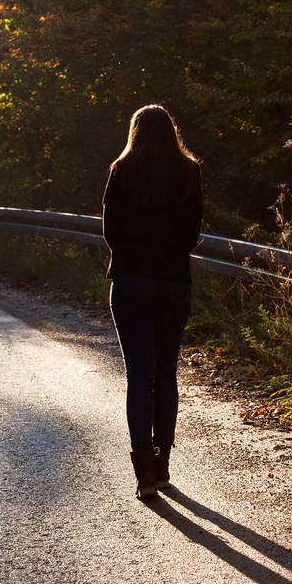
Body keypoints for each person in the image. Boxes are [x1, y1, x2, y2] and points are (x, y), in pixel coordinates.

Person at [103, 104, 202, 500]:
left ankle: (143, 473)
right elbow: (192, 234)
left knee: (139, 377)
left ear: (135, 132)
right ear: (171, 133)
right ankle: (162, 467)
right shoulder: (189, 172)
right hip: (173, 283)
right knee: (166, 375)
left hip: (129, 282)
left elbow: (111, 234)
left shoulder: (120, 171)